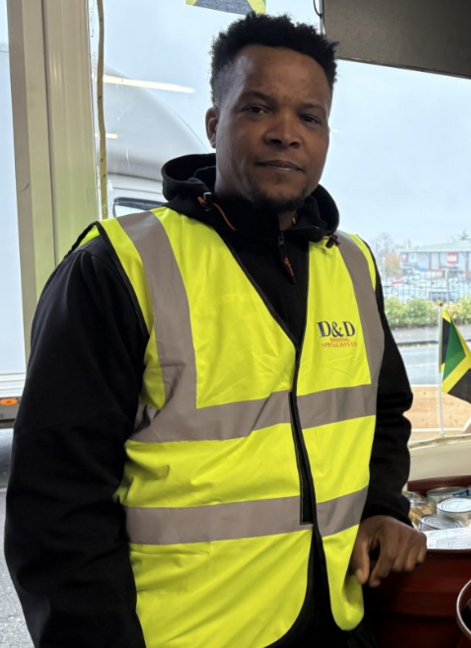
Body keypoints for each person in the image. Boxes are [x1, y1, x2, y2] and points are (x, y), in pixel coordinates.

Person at [5, 13, 425, 648]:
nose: (286, 134)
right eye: (258, 108)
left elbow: (382, 412)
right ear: (214, 124)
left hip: (339, 624)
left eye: (310, 117)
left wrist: (384, 506)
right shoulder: (118, 267)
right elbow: (56, 514)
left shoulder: (354, 266)